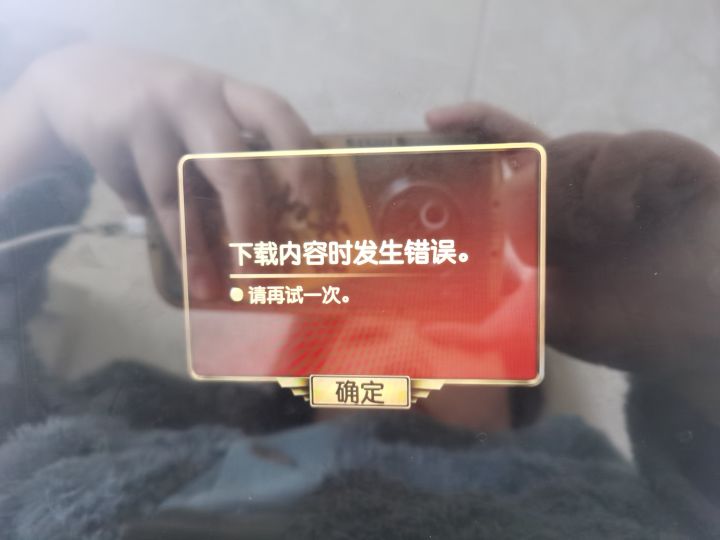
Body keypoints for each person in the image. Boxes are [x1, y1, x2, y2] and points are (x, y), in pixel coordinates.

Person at [0, 42, 718, 539]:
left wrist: (698, 354)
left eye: (444, 309)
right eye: (356, 312)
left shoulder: (605, 489)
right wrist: (42, 102)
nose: (398, 325)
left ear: (517, 384)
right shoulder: (133, 421)